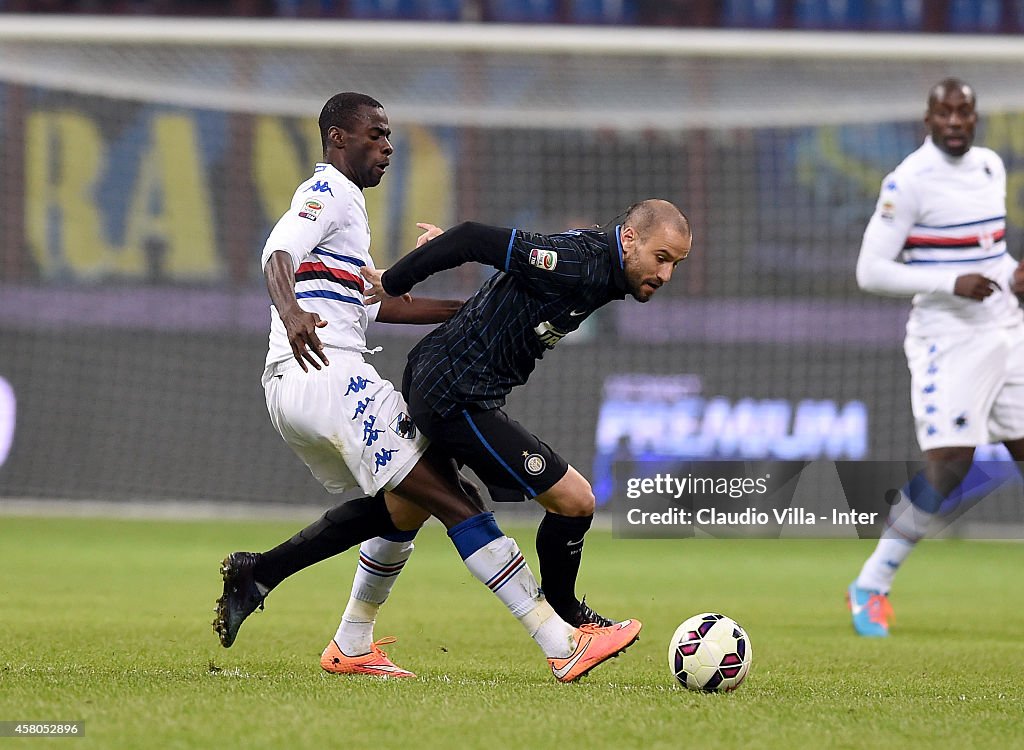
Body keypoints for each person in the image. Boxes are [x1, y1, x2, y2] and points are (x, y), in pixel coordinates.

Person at [213, 91, 641, 683]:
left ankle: (317, 616)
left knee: (406, 502)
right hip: (325, 374)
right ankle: (558, 639)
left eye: (388, 136)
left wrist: (477, 309)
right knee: (453, 499)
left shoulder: (350, 215)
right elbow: (275, 250)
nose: (387, 146)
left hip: (307, 382)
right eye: (375, 135)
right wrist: (290, 314)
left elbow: (375, 306)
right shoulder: (327, 192)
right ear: (338, 137)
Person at [357, 198, 692, 633]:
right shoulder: (577, 261)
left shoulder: (605, 266)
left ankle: (273, 576)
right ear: (629, 239)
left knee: (399, 510)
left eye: (675, 265)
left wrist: (437, 252)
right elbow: (474, 237)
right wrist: (396, 278)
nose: (666, 275)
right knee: (575, 500)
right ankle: (565, 621)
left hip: (454, 385)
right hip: (454, 392)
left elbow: (520, 271)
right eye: (661, 258)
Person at [848, 77, 1024, 637]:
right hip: (946, 338)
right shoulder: (908, 182)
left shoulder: (992, 167)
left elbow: (989, 250)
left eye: (964, 112)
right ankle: (870, 585)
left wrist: (1011, 274)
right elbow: (869, 271)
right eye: (944, 112)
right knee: (950, 466)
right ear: (928, 118)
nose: (954, 121)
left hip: (1005, 327)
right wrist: (952, 281)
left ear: (975, 118)